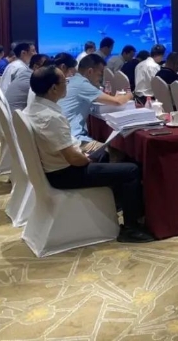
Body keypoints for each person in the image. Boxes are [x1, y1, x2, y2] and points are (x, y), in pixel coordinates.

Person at [24, 65, 153, 243]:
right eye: (64, 81)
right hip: (65, 173)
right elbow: (73, 159)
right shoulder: (51, 117)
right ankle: (131, 228)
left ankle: (114, 204)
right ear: (53, 88)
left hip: (54, 166)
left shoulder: (33, 108)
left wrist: (86, 152)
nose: (67, 84)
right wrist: (86, 158)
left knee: (104, 153)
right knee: (131, 170)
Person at [60, 54, 134, 150]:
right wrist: (130, 95)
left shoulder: (71, 80)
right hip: (73, 139)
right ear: (90, 71)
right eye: (100, 74)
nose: (100, 78)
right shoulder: (82, 84)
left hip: (61, 135)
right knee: (112, 150)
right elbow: (117, 102)